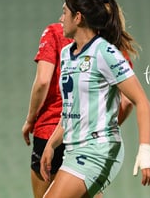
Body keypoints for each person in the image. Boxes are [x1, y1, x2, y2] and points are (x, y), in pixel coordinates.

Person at [40, 0, 150, 198]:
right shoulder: (66, 54)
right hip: (73, 151)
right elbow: (70, 112)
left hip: (99, 151)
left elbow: (142, 102)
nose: (61, 18)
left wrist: (145, 151)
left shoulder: (105, 53)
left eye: (64, 12)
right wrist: (51, 145)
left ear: (78, 17)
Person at [22, 21, 134, 198]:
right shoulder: (110, 42)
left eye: (66, 9)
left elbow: (43, 81)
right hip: (89, 141)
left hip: (50, 129)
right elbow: (127, 101)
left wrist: (30, 119)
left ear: (78, 14)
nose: (63, 15)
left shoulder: (55, 32)